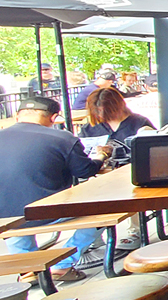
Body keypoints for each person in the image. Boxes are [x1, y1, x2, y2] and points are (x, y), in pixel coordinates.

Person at [0, 96, 111, 282]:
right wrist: (101, 156)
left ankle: (28, 269)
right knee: (106, 210)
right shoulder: (63, 138)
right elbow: (85, 171)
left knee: (12, 211)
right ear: (53, 118)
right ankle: (63, 265)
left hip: (5, 217)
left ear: (18, 115)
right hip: (49, 211)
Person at [78, 87, 156, 166]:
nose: (101, 115)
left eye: (108, 112)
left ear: (119, 106)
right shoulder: (89, 128)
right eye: (97, 112)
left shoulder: (140, 123)